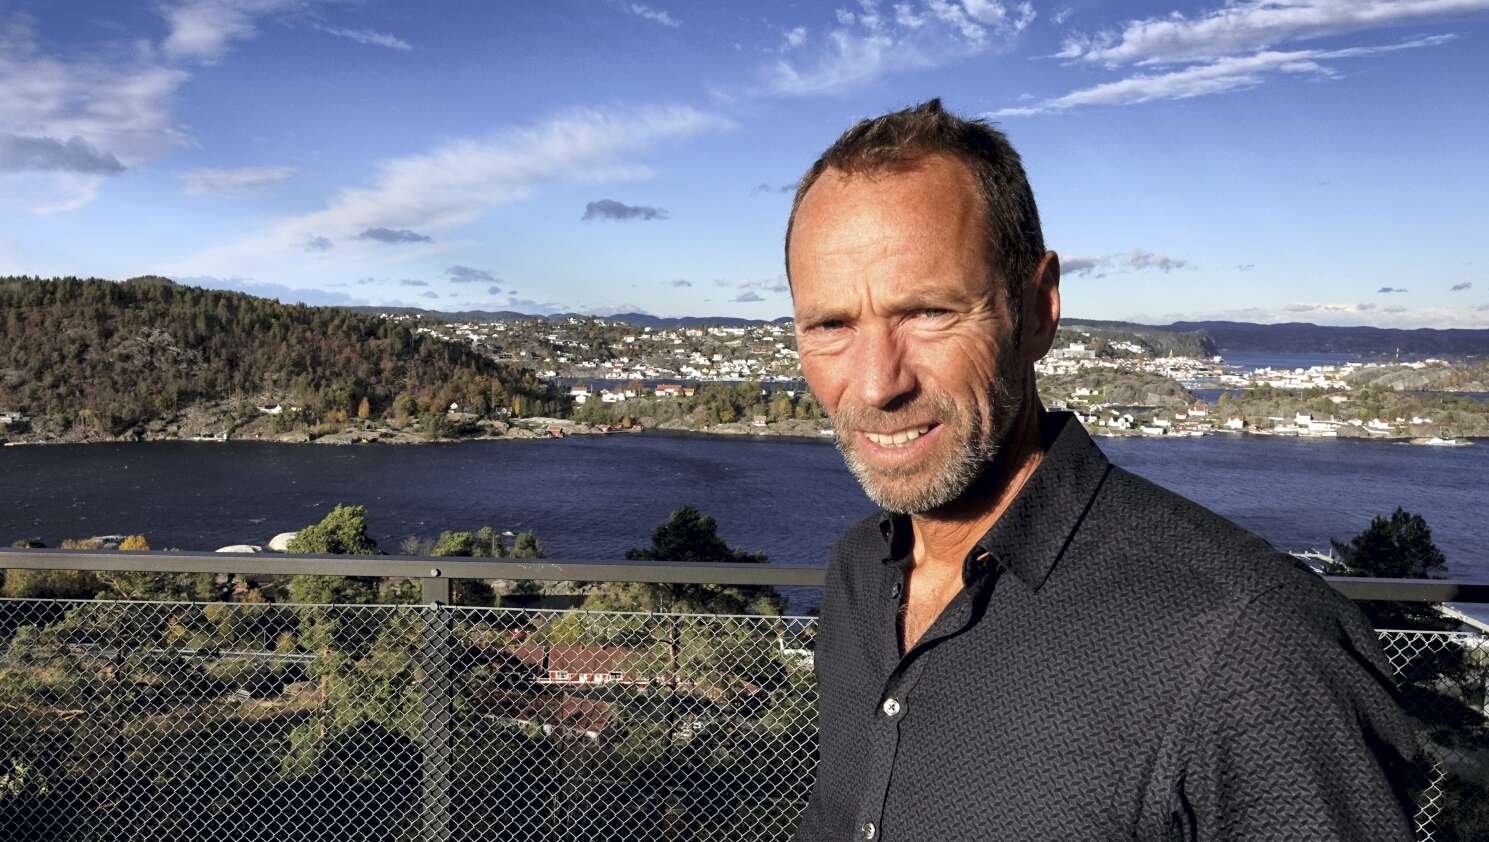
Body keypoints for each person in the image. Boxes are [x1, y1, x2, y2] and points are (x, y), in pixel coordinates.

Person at [785, 99, 1417, 841]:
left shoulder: (1251, 648)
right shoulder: (858, 573)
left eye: (928, 312)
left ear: (1037, 310)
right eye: (830, 324)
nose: (875, 385)